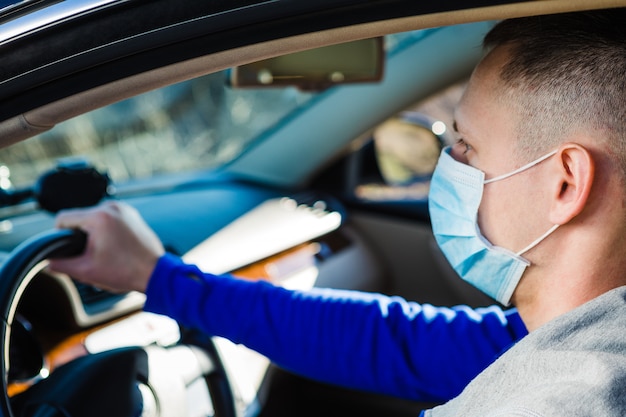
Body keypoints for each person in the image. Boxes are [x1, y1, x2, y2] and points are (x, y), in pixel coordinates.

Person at [48, 8, 626, 416]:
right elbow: (395, 343)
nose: (447, 163)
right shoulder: (569, 339)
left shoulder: (555, 399)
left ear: (564, 183)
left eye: (467, 146)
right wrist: (159, 278)